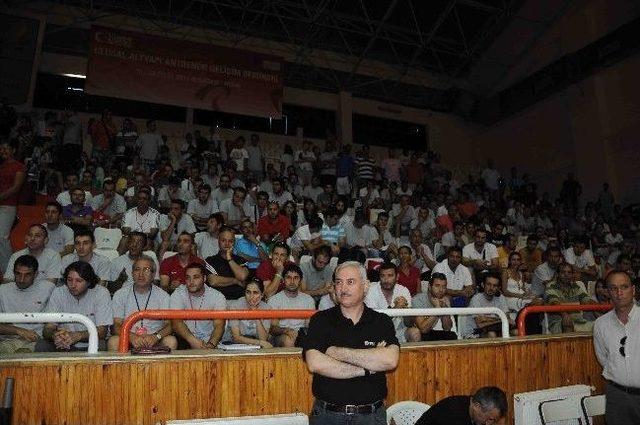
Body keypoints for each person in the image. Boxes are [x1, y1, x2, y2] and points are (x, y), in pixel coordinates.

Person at [303, 261, 400, 424]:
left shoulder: (381, 321)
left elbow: (390, 360)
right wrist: (368, 368)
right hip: (327, 416)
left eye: (350, 282)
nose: (343, 287)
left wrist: (337, 352)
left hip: (371, 416)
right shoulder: (320, 320)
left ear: (366, 286)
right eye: (339, 282)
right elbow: (315, 363)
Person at [593, 271, 640, 425]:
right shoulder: (600, 324)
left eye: (624, 287)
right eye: (613, 288)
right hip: (617, 397)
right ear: (607, 292)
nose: (619, 293)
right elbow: (603, 359)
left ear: (633, 290)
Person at [37, 261, 113, 351]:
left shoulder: (101, 293)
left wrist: (77, 336)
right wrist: (55, 336)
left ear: (89, 282)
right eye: (69, 280)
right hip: (63, 342)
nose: (72, 285)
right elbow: (48, 328)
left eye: (78, 281)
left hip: (92, 343)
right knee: (42, 345)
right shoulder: (59, 292)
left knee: (102, 344)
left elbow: (102, 331)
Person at [108, 256, 177, 351]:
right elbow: (116, 325)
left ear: (153, 275)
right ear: (132, 273)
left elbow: (169, 325)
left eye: (146, 270)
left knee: (171, 341)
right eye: (137, 270)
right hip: (129, 338)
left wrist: (155, 337)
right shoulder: (120, 294)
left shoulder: (163, 296)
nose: (141, 274)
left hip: (154, 339)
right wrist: (131, 336)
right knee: (114, 341)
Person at [0, 255, 55, 353]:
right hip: (9, 341)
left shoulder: (48, 288)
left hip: (38, 340)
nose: (21, 279)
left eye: (27, 275)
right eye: (18, 274)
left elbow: (53, 324)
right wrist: (19, 331)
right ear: (13, 272)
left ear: (36, 274)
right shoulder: (2, 290)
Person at [170, 263, 227, 349]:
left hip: (210, 340)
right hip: (185, 339)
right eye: (188, 278)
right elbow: (176, 322)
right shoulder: (178, 294)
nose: (191, 282)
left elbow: (219, 325)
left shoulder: (217, 296)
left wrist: (211, 344)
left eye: (196, 277)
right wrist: (192, 340)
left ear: (204, 278)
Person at [364, 262, 416, 343]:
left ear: (397, 277)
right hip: (376, 332)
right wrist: (395, 308)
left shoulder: (403, 290)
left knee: (414, 333)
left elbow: (408, 324)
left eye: (390, 275)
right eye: (382, 276)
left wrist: (406, 310)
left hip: (398, 331)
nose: (386, 280)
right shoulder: (370, 290)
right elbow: (374, 322)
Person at [268, 264, 315, 347]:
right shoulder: (274, 300)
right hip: (281, 336)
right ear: (283, 279)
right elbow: (273, 328)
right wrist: (286, 330)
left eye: (296, 278)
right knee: (289, 340)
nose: (292, 281)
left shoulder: (309, 300)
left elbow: (309, 326)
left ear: (300, 280)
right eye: (288, 277)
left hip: (301, 335)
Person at [415, 386, 507, 425]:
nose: (488, 423)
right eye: (490, 419)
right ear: (477, 406)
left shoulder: (473, 411)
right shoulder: (452, 413)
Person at [544, 263, 594, 333]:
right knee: (567, 322)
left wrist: (599, 308)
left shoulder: (575, 286)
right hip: (558, 323)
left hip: (578, 321)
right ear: (557, 274)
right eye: (563, 272)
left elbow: (586, 300)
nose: (566, 275)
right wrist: (564, 314)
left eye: (569, 272)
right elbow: (554, 303)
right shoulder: (551, 286)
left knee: (598, 325)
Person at [0, 140, 25, 270]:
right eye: (1, 149)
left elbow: (16, 187)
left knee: (2, 237)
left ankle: (10, 270)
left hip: (8, 205)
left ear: (13, 150)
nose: (3, 151)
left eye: (6, 148)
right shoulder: (1, 166)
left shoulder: (19, 166)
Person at [205, 226, 249, 300]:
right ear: (218, 241)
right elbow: (213, 281)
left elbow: (242, 276)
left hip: (239, 299)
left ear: (234, 243)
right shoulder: (210, 260)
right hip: (217, 300)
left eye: (230, 241)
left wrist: (229, 259)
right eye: (223, 240)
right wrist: (235, 281)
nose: (227, 243)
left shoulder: (241, 260)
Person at [228, 279, 273, 348]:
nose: (251, 297)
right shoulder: (235, 306)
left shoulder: (267, 308)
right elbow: (236, 337)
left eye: (255, 293)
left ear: (262, 294)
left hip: (257, 345)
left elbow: (263, 338)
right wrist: (259, 342)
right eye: (248, 292)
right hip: (235, 345)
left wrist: (256, 315)